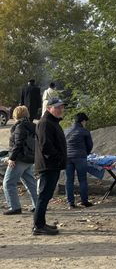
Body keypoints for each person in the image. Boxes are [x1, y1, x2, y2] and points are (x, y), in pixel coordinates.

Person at [33, 97, 68, 236]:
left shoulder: (52, 122)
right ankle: (38, 226)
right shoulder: (45, 123)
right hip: (48, 166)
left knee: (46, 196)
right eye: (57, 107)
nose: (60, 109)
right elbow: (46, 146)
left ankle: (41, 223)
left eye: (61, 107)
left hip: (53, 165)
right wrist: (59, 157)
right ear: (49, 108)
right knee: (43, 195)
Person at [3, 106, 39, 215]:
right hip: (30, 159)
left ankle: (14, 207)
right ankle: (37, 205)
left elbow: (18, 144)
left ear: (15, 115)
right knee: (30, 182)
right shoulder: (33, 126)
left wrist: (11, 158)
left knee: (8, 183)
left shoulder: (19, 127)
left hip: (19, 158)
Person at [64, 112, 94, 209]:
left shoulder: (66, 131)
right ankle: (84, 201)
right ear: (83, 121)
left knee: (69, 180)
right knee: (82, 180)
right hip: (80, 157)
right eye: (85, 122)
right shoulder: (84, 131)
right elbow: (90, 145)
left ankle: (70, 203)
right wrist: (86, 153)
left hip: (67, 157)